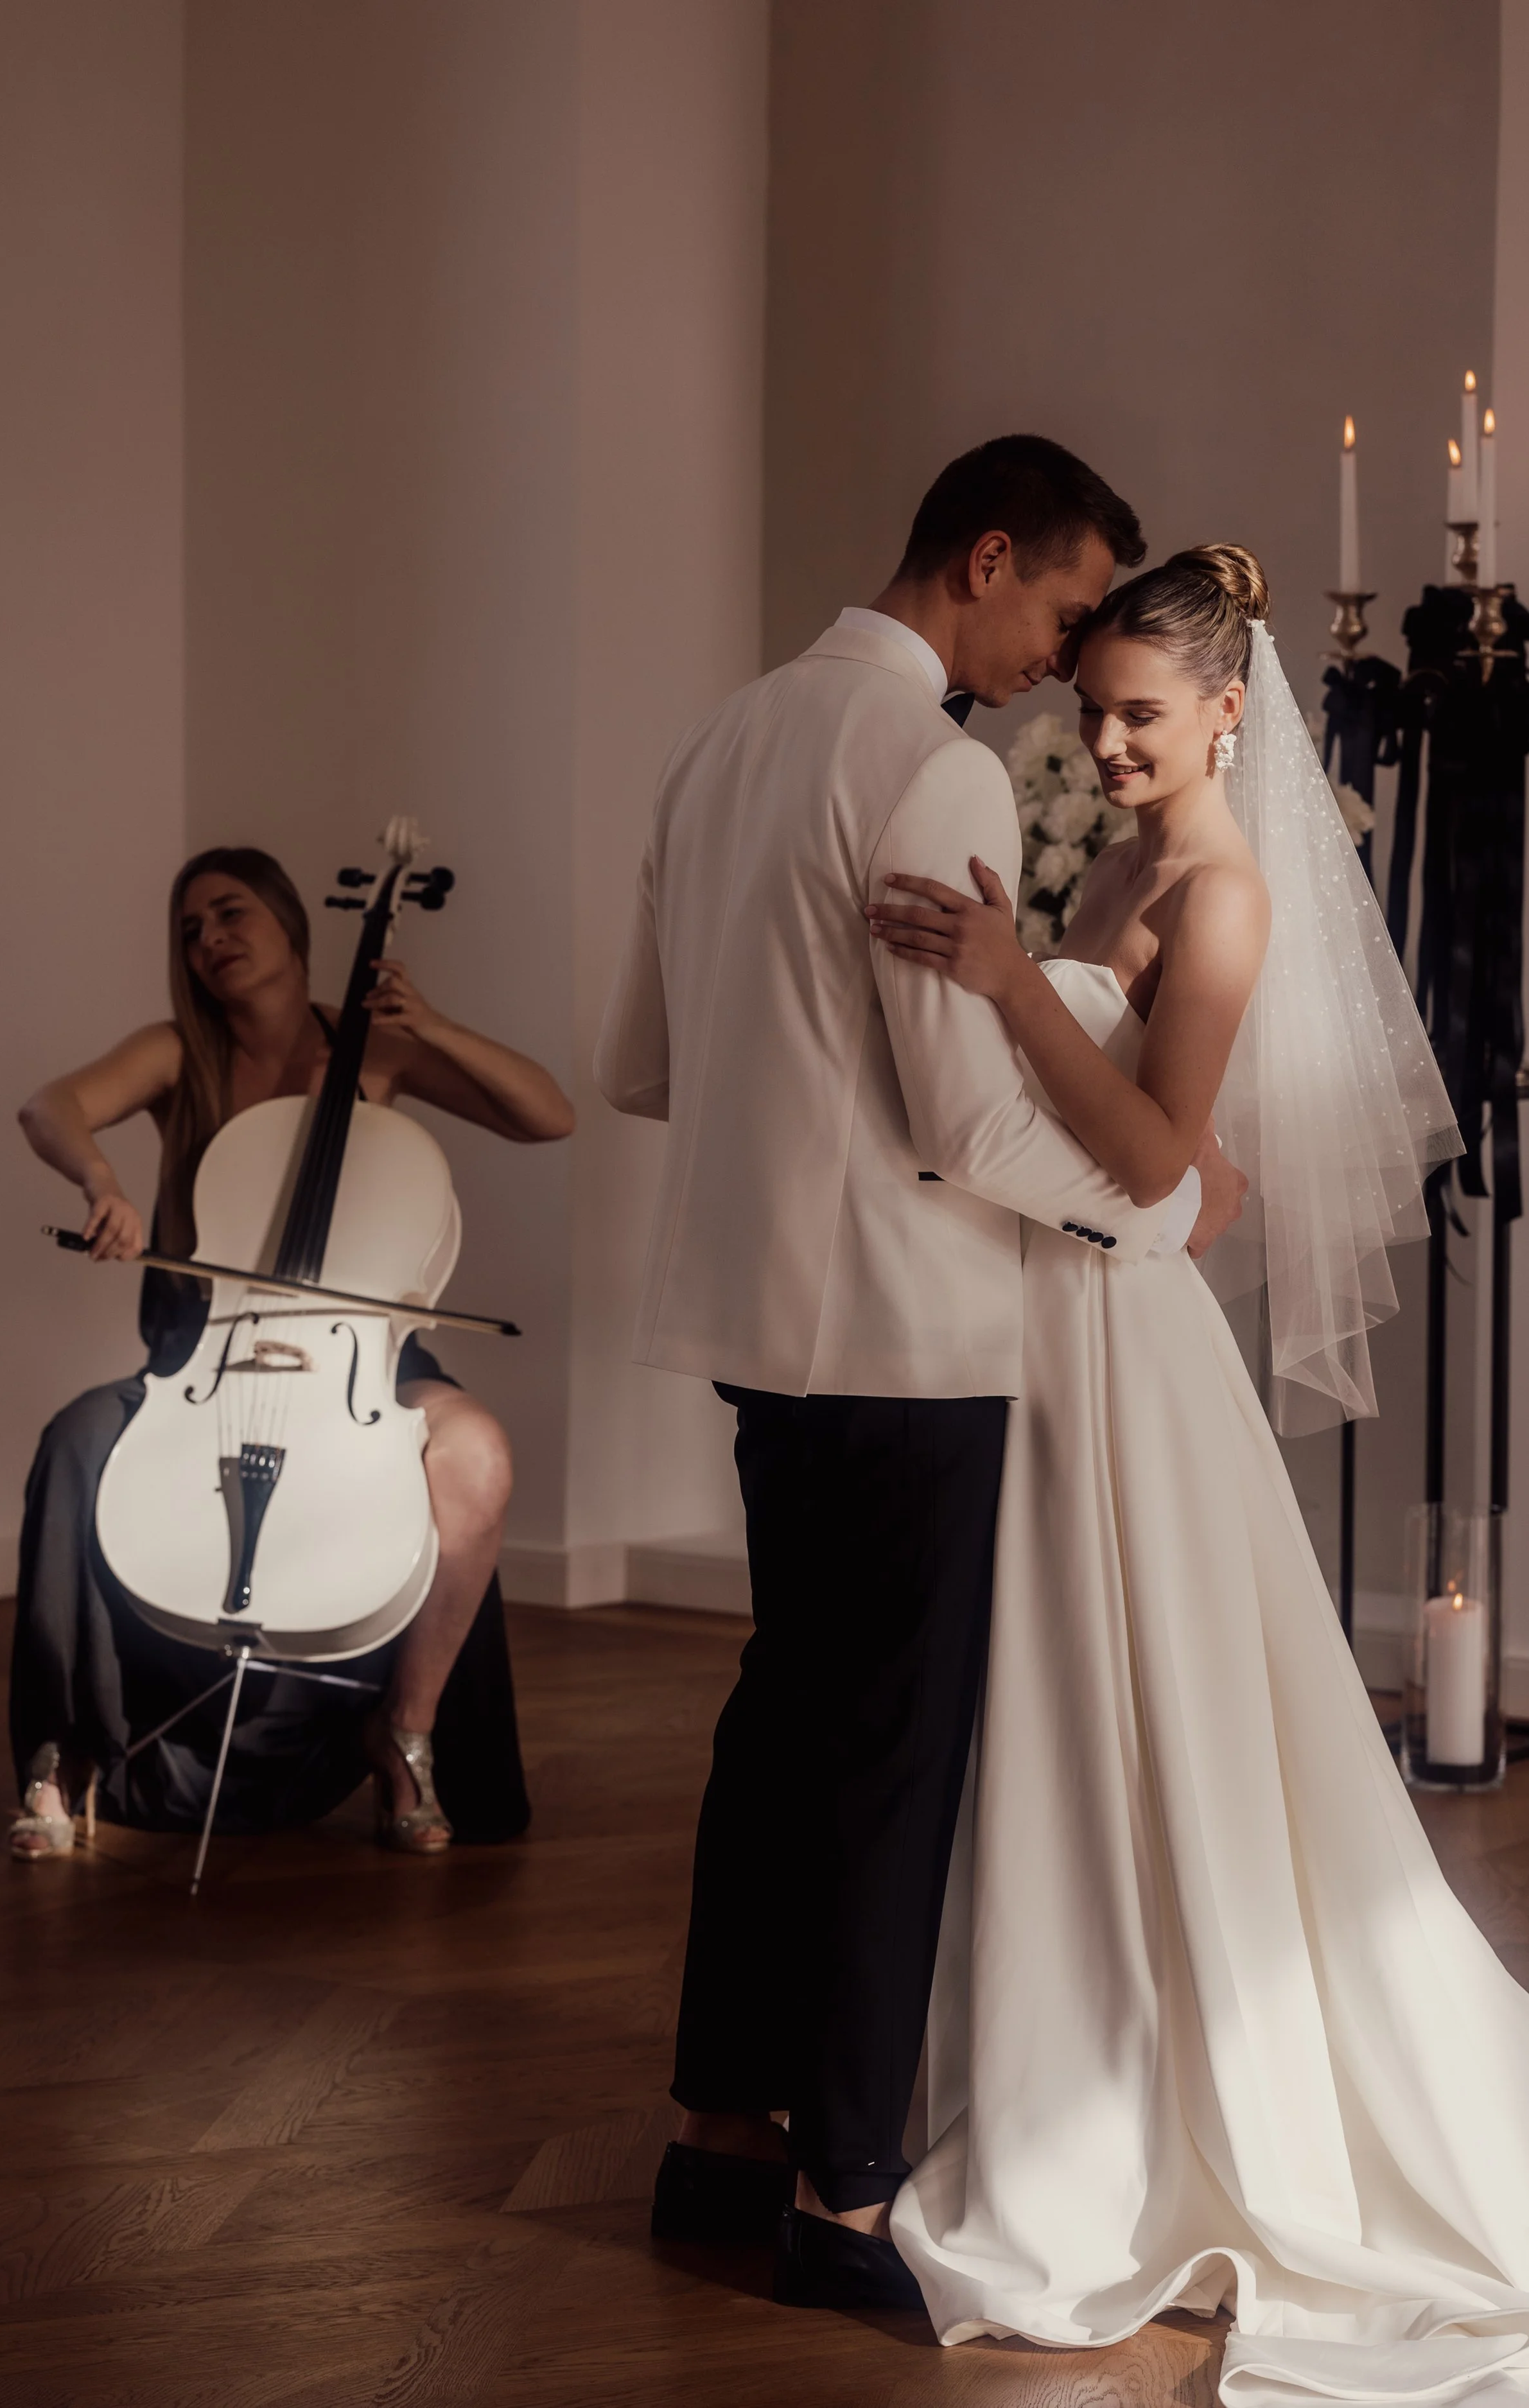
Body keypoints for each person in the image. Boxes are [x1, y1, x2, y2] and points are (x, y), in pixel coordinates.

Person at [869, 550, 1529, 2407]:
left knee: (1148, 1692)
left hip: (1120, 1332)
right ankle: (1065, 2046)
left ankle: (1175, 2085)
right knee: (1070, 1699)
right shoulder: (1130, 857)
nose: (1104, 737)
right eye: (1090, 708)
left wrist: (1008, 984)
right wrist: (1034, 973)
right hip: (1053, 1309)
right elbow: (1161, 1143)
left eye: (1139, 712)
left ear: (1231, 705)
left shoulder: (1224, 887)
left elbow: (1161, 1149)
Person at [594, 437, 1248, 2312]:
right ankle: (847, 2193)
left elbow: (646, 1065)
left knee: (774, 1723)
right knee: (884, 1764)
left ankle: (713, 2141)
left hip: (744, 1325)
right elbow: (968, 1131)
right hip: (904, 1331)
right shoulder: (926, 759)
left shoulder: (717, 741)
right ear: (983, 557)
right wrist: (1154, 1207)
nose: (1058, 658)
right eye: (1056, 607)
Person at [9, 846, 572, 1862]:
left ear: (288, 925)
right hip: (205, 1350)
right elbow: (49, 1107)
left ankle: (404, 1730)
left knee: (476, 1454)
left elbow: (549, 1115)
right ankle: (62, 1754)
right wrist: (99, 1180)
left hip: (362, 1358)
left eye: (230, 913)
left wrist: (430, 1024)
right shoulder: (181, 1051)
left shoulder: (375, 1054)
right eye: (190, 928)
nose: (210, 939)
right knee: (74, 1442)